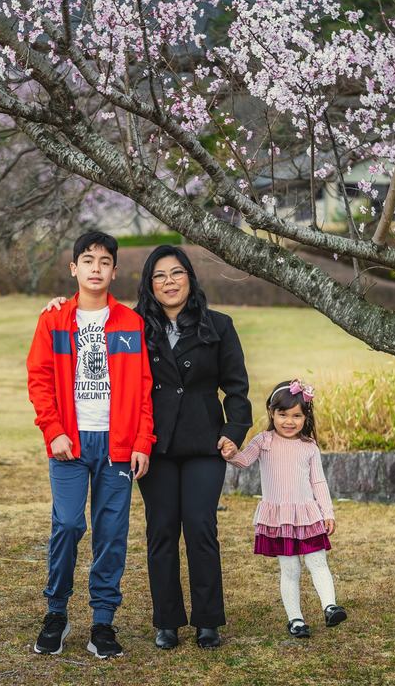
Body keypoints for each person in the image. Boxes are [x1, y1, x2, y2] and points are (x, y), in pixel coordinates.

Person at [44, 244, 252, 650]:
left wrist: (235, 428)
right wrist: (56, 306)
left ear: (190, 278)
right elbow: (86, 319)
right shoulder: (133, 324)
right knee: (160, 530)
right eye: (159, 276)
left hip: (203, 443)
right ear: (148, 284)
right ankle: (167, 621)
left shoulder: (219, 326)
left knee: (200, 526)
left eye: (176, 273)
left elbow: (237, 387)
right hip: (153, 445)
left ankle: (208, 620)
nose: (169, 282)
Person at [26, 230, 155, 659]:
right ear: (74, 268)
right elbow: (40, 380)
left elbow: (143, 389)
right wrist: (53, 431)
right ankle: (56, 613)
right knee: (66, 525)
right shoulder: (54, 319)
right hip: (69, 444)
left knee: (111, 533)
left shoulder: (130, 324)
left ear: (114, 271)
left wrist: (142, 440)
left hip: (117, 445)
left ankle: (103, 622)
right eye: (88, 260)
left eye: (104, 262)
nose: (95, 268)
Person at [221, 379, 348, 639]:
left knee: (318, 562)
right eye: (283, 415)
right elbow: (243, 461)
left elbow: (318, 481)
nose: (289, 421)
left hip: (308, 514)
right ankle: (296, 620)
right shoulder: (264, 441)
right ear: (271, 412)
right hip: (280, 519)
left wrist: (328, 512)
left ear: (305, 417)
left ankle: (330, 606)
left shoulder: (308, 446)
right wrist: (231, 452)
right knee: (290, 570)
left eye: (296, 416)